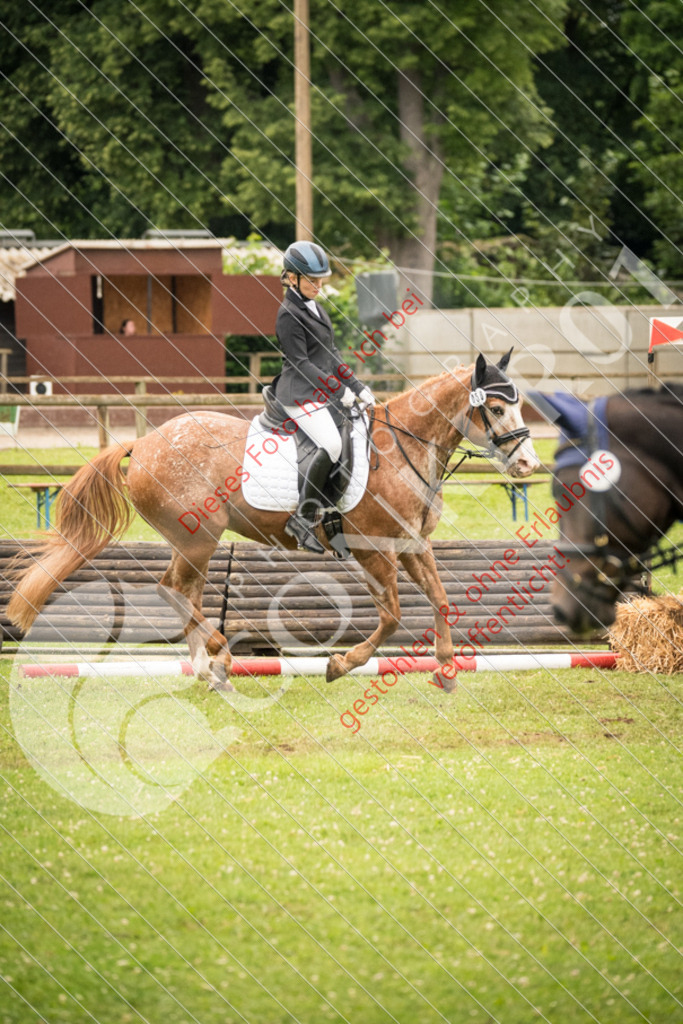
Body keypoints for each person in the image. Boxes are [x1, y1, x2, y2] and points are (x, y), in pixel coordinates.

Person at [275, 240, 375, 554]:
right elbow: (302, 363)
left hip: (320, 390)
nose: (319, 286)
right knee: (331, 444)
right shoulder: (288, 315)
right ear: (292, 278)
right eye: (312, 280)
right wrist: (339, 391)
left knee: (350, 435)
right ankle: (302, 520)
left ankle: (332, 521)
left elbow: (330, 354)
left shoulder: (315, 306)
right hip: (298, 393)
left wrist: (358, 387)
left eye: (321, 280)